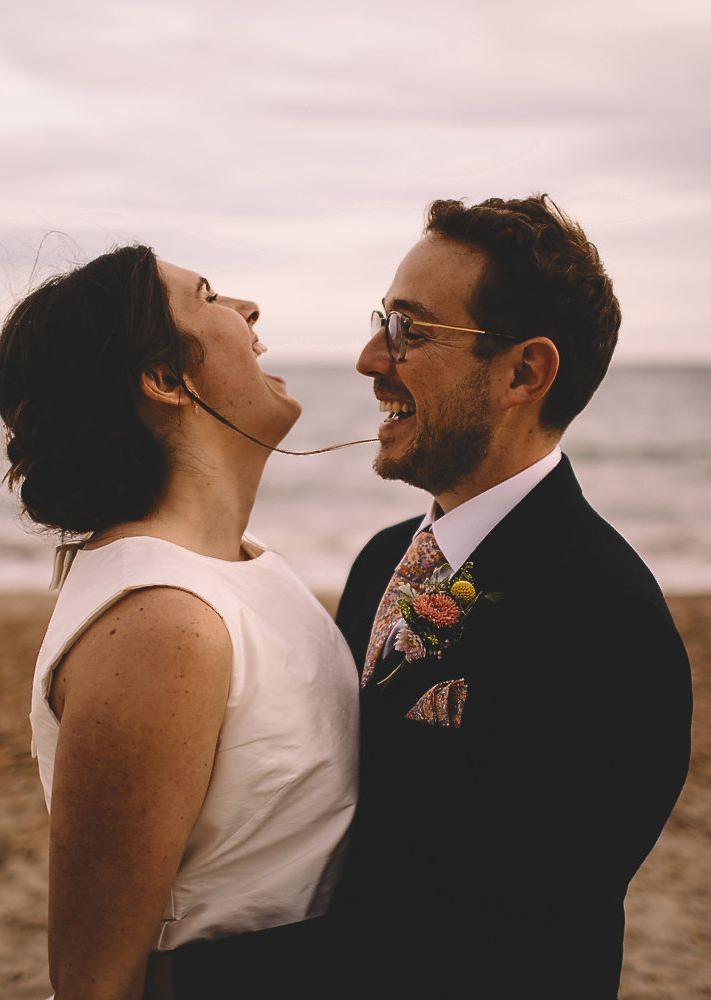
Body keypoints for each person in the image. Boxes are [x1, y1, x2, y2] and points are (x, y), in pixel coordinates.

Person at [328, 195, 693, 999]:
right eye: (382, 320)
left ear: (525, 371)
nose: (368, 357)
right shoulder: (380, 563)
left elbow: (514, 931)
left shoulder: (607, 622)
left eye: (409, 330)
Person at [0, 245, 359, 1000]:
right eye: (211, 296)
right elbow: (95, 981)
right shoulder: (164, 624)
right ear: (163, 379)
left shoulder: (241, 566)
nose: (248, 308)